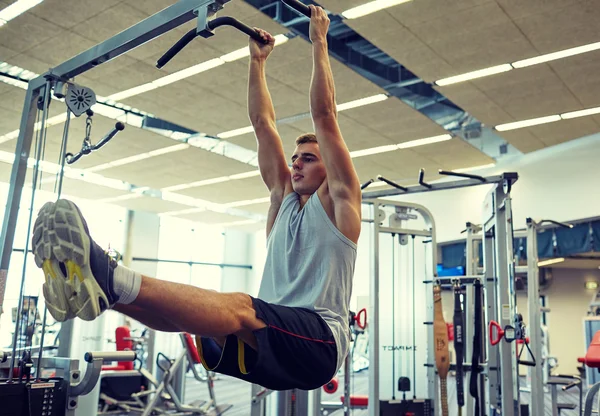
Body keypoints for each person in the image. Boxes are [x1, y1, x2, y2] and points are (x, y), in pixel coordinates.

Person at [33, 5, 361, 391]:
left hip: (318, 344)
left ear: (329, 170)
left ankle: (111, 276)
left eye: (308, 158)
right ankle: (109, 293)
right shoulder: (282, 201)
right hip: (271, 344)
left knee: (239, 306)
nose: (296, 164)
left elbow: (324, 116)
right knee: (198, 319)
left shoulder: (340, 204)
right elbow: (262, 125)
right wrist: (257, 62)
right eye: (294, 158)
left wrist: (319, 39)